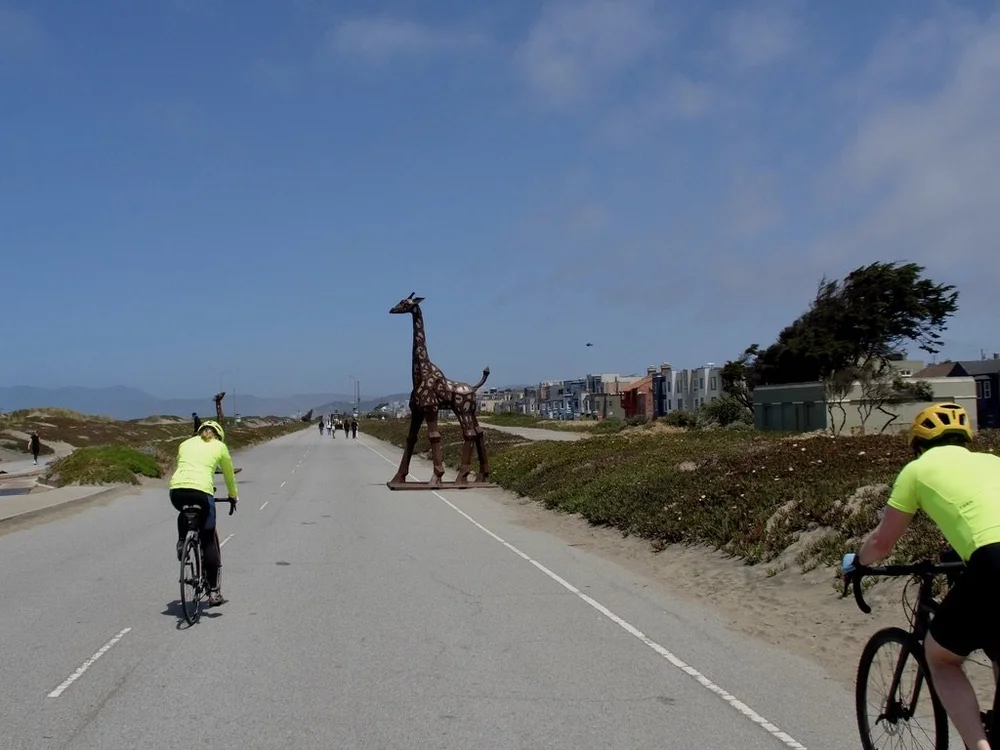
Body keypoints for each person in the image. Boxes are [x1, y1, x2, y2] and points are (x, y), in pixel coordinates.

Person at [842, 402, 1000, 750]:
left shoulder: (916, 470)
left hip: (992, 562)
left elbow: (882, 542)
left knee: (941, 657)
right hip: (987, 560)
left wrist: (860, 565)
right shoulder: (993, 462)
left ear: (919, 445)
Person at [169, 419, 238, 607]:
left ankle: (182, 541)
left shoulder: (185, 444)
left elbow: (185, 466)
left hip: (176, 491)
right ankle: (214, 592)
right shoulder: (219, 446)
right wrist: (233, 495)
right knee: (208, 539)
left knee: (184, 511)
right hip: (202, 491)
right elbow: (228, 473)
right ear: (218, 435)